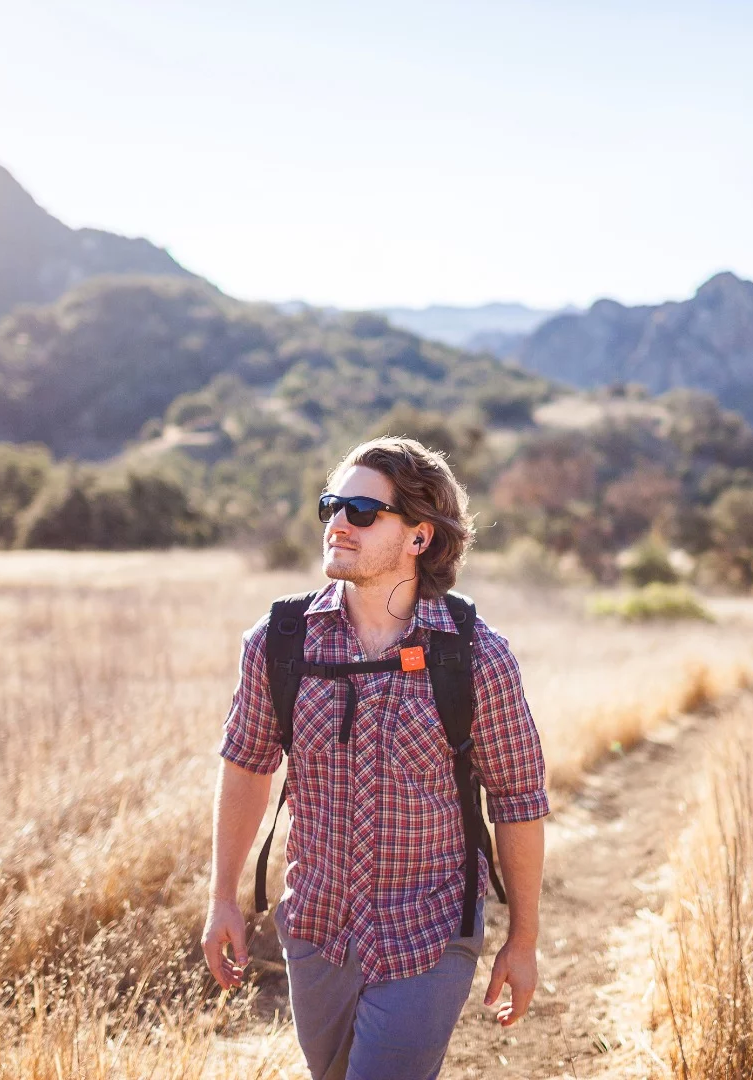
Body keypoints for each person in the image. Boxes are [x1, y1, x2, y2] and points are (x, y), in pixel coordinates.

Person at [201, 436, 549, 1080]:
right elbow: (247, 765)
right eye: (332, 505)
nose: (338, 523)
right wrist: (223, 896)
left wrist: (521, 940)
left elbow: (519, 802)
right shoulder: (278, 643)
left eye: (362, 510)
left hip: (431, 932)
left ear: (419, 537)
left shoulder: (477, 658)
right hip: (316, 931)